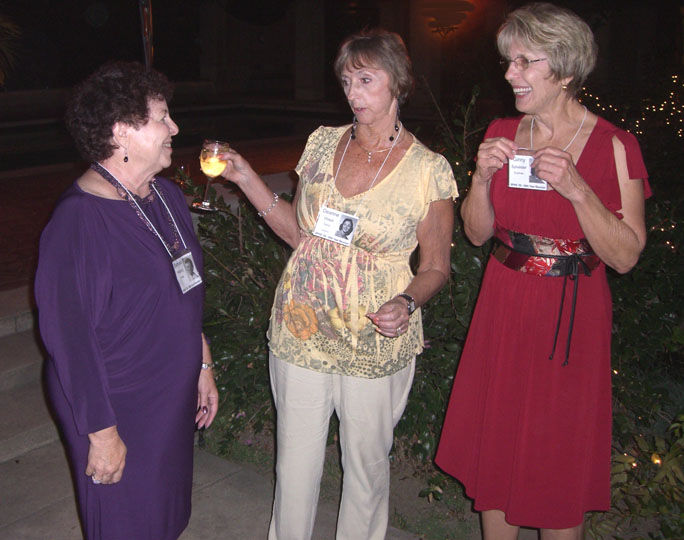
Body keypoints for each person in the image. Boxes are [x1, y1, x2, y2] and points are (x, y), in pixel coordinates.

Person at [218, 28, 458, 540]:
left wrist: (406, 301)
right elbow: (302, 237)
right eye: (346, 81)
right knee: (295, 463)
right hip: (301, 325)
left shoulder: (428, 170)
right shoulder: (323, 142)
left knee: (366, 465)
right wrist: (246, 179)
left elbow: (436, 266)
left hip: (372, 337)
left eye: (365, 80)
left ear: (398, 82)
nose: (352, 93)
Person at [435, 3, 650, 539]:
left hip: (571, 316)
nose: (510, 73)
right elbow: (478, 234)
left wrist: (578, 190)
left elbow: (625, 255)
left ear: (566, 71)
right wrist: (481, 179)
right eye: (509, 61)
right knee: (500, 443)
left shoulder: (616, 147)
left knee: (557, 452)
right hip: (504, 304)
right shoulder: (502, 131)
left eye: (525, 62)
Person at [34, 61, 218, 540]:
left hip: (168, 395)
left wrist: (202, 363)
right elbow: (69, 340)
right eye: (162, 116)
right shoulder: (78, 223)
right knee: (124, 520)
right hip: (117, 401)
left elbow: (185, 292)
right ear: (122, 133)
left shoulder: (168, 198)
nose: (174, 127)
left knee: (163, 514)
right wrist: (102, 433)